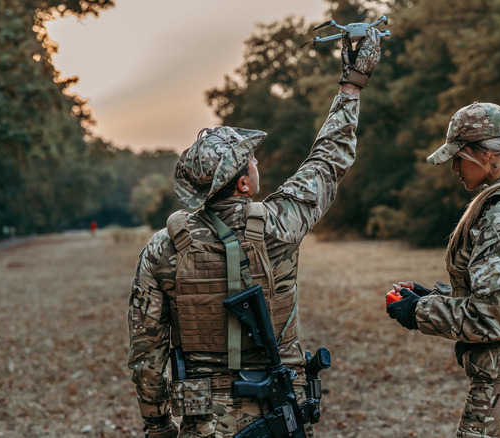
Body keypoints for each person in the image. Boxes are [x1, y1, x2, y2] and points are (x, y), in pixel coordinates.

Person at [128, 29, 381, 438]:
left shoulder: (164, 246)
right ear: (243, 184)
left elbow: (146, 349)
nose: (257, 163)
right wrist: (353, 84)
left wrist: (157, 424)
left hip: (201, 416)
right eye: (251, 161)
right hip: (275, 410)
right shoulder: (280, 224)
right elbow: (329, 159)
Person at [386, 102, 500, 437]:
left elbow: (493, 319)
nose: (454, 167)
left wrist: (418, 311)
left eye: (459, 156)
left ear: (487, 155)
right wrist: (436, 297)